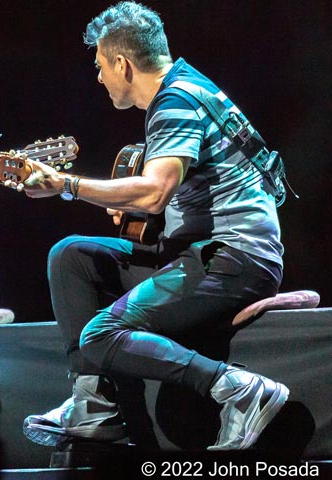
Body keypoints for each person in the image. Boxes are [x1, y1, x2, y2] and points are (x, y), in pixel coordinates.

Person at [15, 1, 289, 450]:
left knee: (100, 335)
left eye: (101, 65)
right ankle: (94, 405)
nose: (99, 77)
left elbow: (154, 191)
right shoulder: (186, 87)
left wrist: (67, 183)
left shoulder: (176, 100)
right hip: (198, 253)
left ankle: (238, 388)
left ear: (122, 64)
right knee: (73, 257)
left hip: (233, 260)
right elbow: (171, 193)